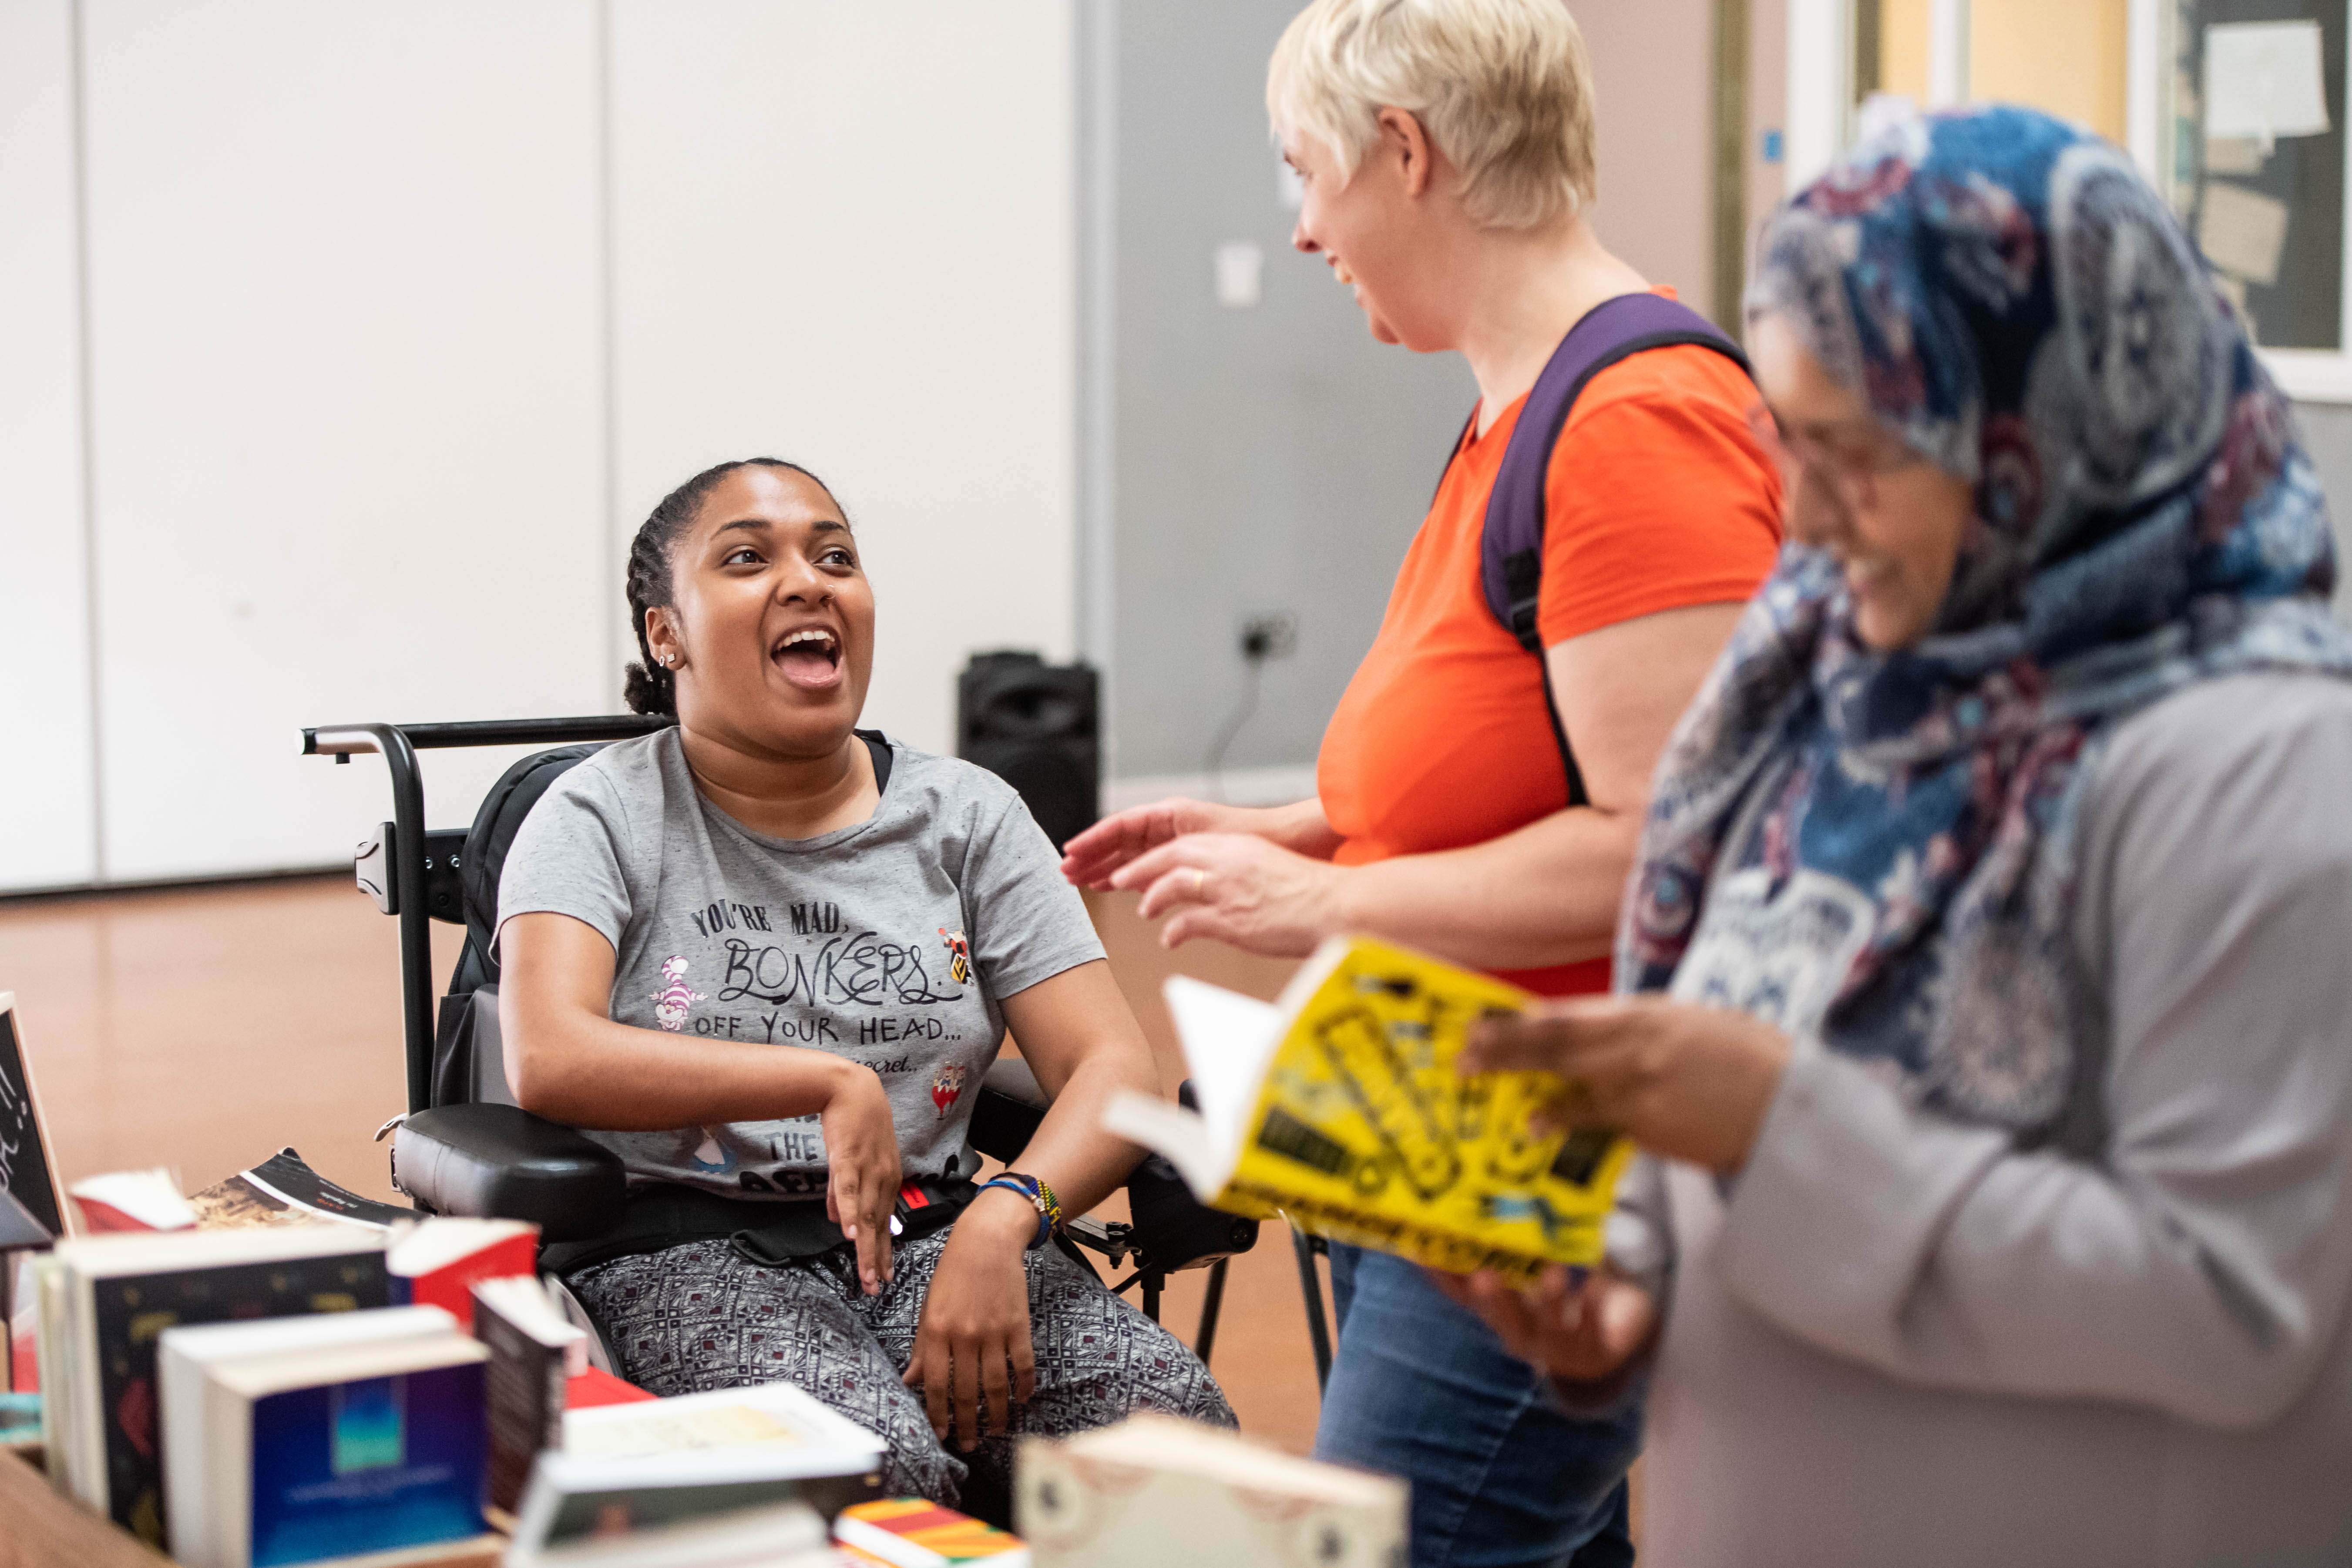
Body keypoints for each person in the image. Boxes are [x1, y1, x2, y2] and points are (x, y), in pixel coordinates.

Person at [1448, 107, 2352, 1566]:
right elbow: (1757, 1065)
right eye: (1782, 438)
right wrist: (1633, 1285)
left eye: (1859, 451)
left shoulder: (2255, 761)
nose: (1797, 513)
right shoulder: (1826, 682)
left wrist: (1773, 1128)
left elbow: (2227, 1305)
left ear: (2037, 429)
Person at [1060, 1, 1781, 1560]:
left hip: (1552, 1152)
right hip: (1439, 1105)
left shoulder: (1636, 420)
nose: (1307, 228)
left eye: (1305, 175)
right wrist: (1297, 821)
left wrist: (1324, 890)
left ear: (1406, 153)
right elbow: (1511, 748)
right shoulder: (1518, 400)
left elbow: (1676, 845)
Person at [495, 457, 1233, 1512]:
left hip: (942, 1229)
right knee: (872, 1481)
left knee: (1180, 1460)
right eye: (748, 558)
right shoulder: (598, 813)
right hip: (689, 1242)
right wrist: (822, 1079)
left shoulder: (967, 814)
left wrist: (1004, 1216)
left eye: (834, 555)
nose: (808, 581)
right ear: (665, 634)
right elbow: (550, 1053)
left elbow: (1114, 1069)